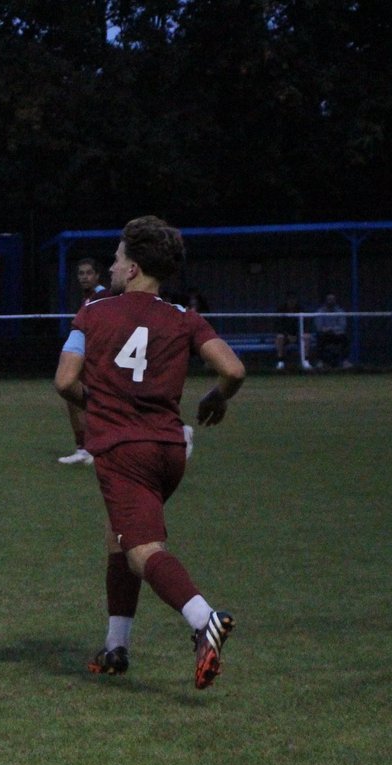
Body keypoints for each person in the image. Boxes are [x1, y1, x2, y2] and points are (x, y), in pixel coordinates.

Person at [54, 216, 246, 690]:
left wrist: (100, 406)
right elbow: (233, 370)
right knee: (119, 536)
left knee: (142, 551)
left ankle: (204, 619)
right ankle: (115, 647)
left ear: (133, 268)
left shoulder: (93, 311)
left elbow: (64, 381)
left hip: (125, 450)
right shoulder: (183, 317)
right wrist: (216, 397)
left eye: (117, 258)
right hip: (170, 450)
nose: (112, 267)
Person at [57, 258, 108, 465]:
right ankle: (84, 448)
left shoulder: (102, 296)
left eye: (88, 273)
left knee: (87, 398)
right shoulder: (88, 298)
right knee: (73, 399)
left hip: (97, 359)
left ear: (97, 275)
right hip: (86, 357)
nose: (84, 277)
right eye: (81, 273)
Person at [274, 291, 312, 371]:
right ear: (287, 300)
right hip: (286, 336)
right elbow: (278, 325)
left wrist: (297, 335)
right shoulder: (281, 309)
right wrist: (287, 335)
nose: (292, 301)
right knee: (279, 337)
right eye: (290, 299)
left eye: (293, 299)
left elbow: (305, 325)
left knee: (307, 337)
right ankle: (280, 361)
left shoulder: (301, 309)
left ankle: (306, 360)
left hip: (298, 335)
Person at [314, 291, 350, 368]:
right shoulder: (320, 311)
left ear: (335, 300)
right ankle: (320, 361)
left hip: (336, 335)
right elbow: (319, 326)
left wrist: (332, 329)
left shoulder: (340, 311)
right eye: (329, 299)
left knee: (345, 338)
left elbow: (342, 326)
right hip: (325, 335)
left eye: (332, 299)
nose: (331, 301)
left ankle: (345, 361)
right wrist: (326, 330)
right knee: (319, 338)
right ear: (326, 300)